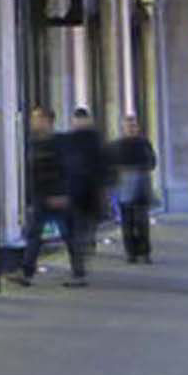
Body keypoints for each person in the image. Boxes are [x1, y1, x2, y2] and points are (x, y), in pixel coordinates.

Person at [15, 108, 79, 285]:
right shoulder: (33, 143)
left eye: (37, 118)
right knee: (34, 234)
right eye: (33, 118)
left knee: (69, 234)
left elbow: (68, 169)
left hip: (59, 196)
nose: (33, 122)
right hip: (40, 196)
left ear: (48, 121)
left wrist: (63, 193)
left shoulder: (60, 142)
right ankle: (27, 273)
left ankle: (78, 272)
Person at [60, 108, 105, 285]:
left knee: (80, 232)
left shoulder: (90, 140)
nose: (79, 123)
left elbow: (101, 166)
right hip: (78, 194)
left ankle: (79, 270)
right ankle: (79, 268)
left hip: (84, 194)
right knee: (79, 232)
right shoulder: (75, 140)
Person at [110, 115, 157, 264]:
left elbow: (152, 161)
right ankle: (131, 253)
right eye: (128, 126)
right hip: (124, 187)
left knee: (142, 222)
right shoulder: (117, 145)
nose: (131, 128)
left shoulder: (144, 143)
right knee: (127, 222)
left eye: (133, 125)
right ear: (123, 128)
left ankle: (144, 252)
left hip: (141, 186)